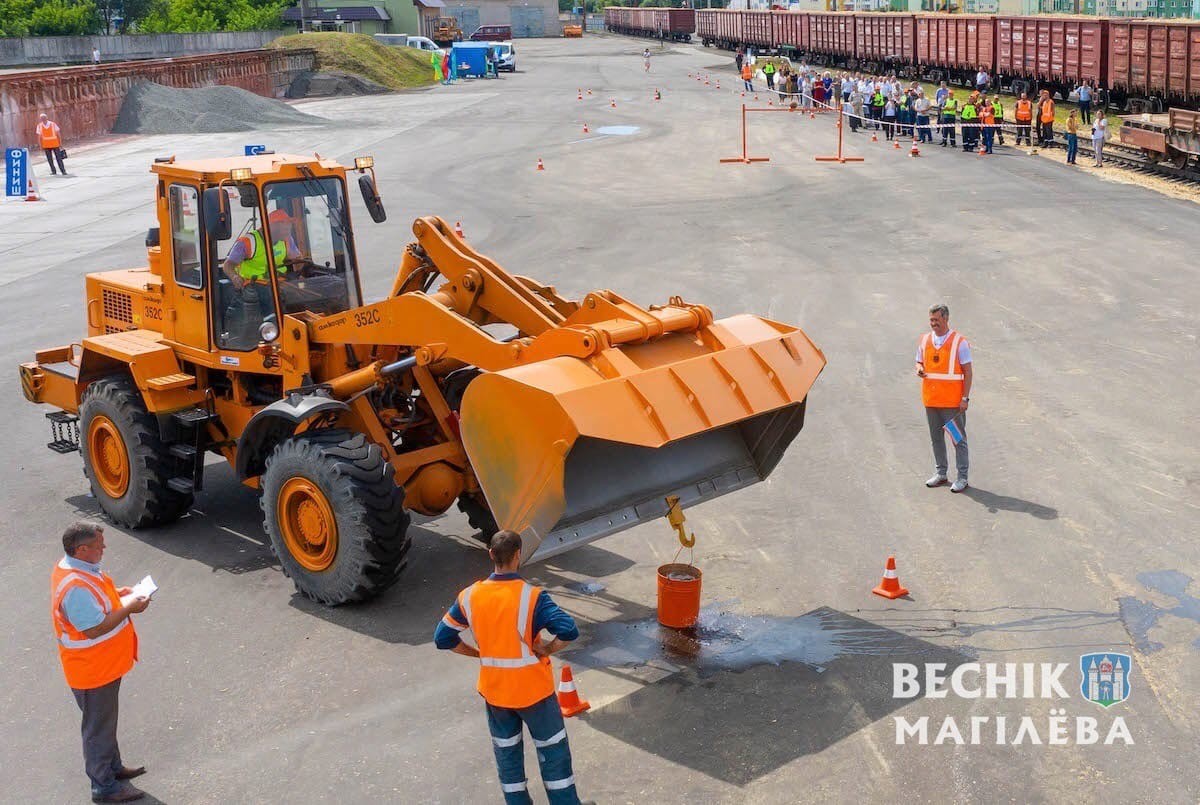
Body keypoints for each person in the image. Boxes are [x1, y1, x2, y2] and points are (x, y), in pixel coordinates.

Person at [436, 530, 585, 804]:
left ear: (491, 554)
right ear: (518, 555)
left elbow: (442, 637)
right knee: (553, 755)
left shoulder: (470, 596)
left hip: (496, 695)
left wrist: (476, 653)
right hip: (534, 693)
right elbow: (569, 630)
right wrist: (547, 649)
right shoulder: (533, 597)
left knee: (508, 758)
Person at [52, 522, 150, 803]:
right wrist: (130, 606)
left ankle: (113, 768)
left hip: (100, 666)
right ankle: (103, 787)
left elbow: (94, 599)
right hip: (93, 671)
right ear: (82, 550)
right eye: (98, 546)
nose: (103, 548)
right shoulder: (75, 587)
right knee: (97, 729)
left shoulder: (73, 567)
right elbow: (94, 628)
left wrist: (117, 594)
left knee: (104, 723)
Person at [915, 305, 972, 493]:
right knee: (936, 439)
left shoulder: (959, 342)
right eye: (931, 320)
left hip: (951, 404)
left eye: (936, 320)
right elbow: (919, 360)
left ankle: (962, 477)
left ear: (946, 318)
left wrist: (965, 398)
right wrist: (919, 369)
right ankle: (941, 473)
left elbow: (968, 372)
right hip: (931, 401)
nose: (933, 324)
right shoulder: (925, 340)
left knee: (957, 439)